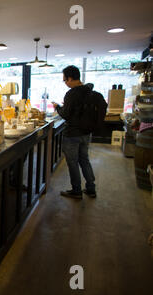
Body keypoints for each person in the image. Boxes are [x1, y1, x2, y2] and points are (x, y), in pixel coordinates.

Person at [52, 65, 96, 199]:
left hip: (73, 134)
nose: (65, 83)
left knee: (72, 162)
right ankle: (91, 189)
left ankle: (76, 191)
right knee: (84, 160)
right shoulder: (89, 90)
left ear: (70, 79)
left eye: (65, 80)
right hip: (86, 133)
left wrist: (58, 107)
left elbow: (65, 114)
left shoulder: (71, 93)